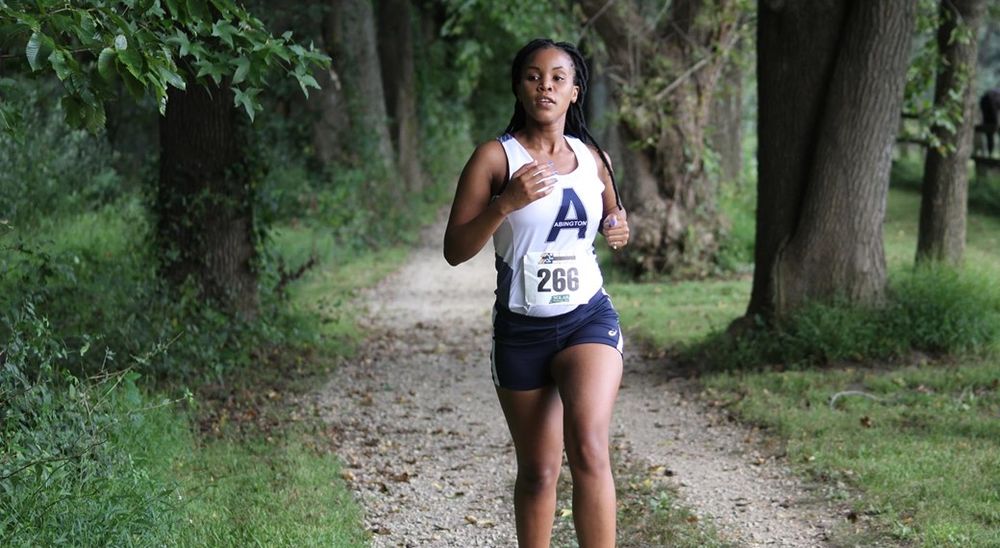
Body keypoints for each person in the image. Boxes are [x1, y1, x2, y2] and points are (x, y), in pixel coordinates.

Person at [443, 38, 630, 547]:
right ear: (519, 86)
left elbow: (612, 210)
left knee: (590, 447)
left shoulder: (594, 157)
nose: (544, 85)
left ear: (574, 91)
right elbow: (455, 249)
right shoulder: (494, 158)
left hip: (586, 318)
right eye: (533, 75)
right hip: (522, 331)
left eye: (557, 77)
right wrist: (504, 204)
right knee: (539, 472)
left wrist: (617, 224)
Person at [980, 88, 1000, 157]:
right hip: (988, 105)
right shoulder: (995, 96)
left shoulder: (988, 96)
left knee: (989, 133)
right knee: (990, 132)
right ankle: (990, 154)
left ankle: (990, 154)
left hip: (986, 104)